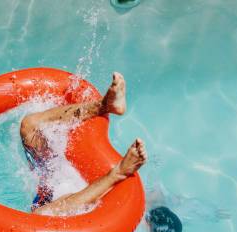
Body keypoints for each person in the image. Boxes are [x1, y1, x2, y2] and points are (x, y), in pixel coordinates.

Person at [19, 72, 147, 215]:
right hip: (66, 208)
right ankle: (118, 173)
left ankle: (103, 106)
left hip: (49, 188)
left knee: (29, 125)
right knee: (41, 215)